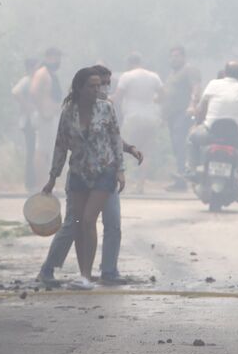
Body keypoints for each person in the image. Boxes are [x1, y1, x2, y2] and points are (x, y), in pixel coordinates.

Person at [38, 65, 143, 286]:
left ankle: (93, 274)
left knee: (88, 220)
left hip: (104, 171)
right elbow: (60, 145)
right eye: (93, 86)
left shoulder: (106, 108)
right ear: (79, 87)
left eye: (100, 86)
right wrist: (52, 177)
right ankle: (82, 273)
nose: (98, 90)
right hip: (78, 172)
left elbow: (115, 139)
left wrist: (121, 170)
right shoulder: (68, 112)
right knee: (77, 223)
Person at [189, 60, 238, 168]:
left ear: (225, 72)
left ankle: (191, 168)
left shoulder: (213, 84)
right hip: (236, 137)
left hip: (210, 134)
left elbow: (200, 107)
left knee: (191, 139)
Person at [113, 53, 164, 188]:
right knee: (146, 152)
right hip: (151, 118)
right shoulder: (154, 76)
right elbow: (162, 96)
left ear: (129, 63)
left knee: (123, 150)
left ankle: (121, 182)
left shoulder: (127, 76)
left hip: (133, 117)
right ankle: (140, 185)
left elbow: (117, 97)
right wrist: (151, 101)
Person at [162, 46, 202, 190]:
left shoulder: (189, 70)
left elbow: (196, 87)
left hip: (183, 113)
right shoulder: (172, 74)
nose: (174, 59)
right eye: (172, 56)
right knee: (176, 146)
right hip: (172, 116)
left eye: (177, 56)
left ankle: (183, 178)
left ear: (183, 57)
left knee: (180, 144)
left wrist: (192, 104)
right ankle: (181, 178)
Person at [29, 47, 64, 182]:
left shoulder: (51, 74)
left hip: (51, 116)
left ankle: (46, 182)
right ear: (49, 57)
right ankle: (41, 184)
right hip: (44, 116)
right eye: (56, 57)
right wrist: (42, 110)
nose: (58, 60)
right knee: (41, 150)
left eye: (59, 57)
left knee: (48, 151)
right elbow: (34, 91)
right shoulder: (42, 73)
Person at [12, 58, 40, 192]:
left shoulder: (35, 81)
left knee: (36, 151)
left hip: (34, 121)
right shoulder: (27, 80)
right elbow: (15, 92)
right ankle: (30, 183)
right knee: (31, 151)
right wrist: (27, 106)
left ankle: (35, 181)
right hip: (29, 121)